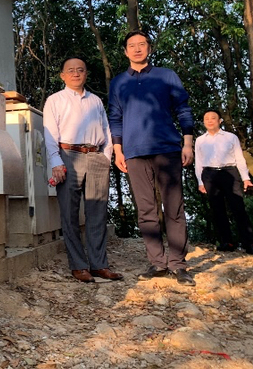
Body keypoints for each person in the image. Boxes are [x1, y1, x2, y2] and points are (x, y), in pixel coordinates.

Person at [108, 30, 196, 286]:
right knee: (146, 210)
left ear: (149, 47)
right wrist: (118, 150)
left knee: (174, 208)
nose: (137, 49)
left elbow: (183, 109)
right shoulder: (119, 82)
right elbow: (115, 117)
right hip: (134, 153)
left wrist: (187, 143)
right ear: (125, 51)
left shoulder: (166, 75)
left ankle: (178, 264)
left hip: (167, 149)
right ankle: (157, 262)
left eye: (142, 44)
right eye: (132, 45)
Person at [43, 56, 123, 283]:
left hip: (96, 156)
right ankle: (78, 265)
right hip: (68, 156)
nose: (76, 73)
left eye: (80, 69)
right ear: (62, 75)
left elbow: (106, 129)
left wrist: (106, 156)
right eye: (71, 70)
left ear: (86, 74)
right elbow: (50, 133)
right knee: (69, 213)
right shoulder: (54, 100)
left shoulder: (95, 101)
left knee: (97, 212)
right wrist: (56, 161)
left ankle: (99, 264)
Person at [195, 109, 253, 254]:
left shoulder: (231, 137)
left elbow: (239, 158)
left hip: (229, 172)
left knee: (238, 207)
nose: (209, 121)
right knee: (217, 209)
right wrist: (200, 182)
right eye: (206, 118)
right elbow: (198, 162)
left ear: (219, 121)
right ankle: (227, 242)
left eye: (213, 118)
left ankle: (249, 243)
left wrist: (245, 178)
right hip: (209, 174)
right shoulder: (200, 140)